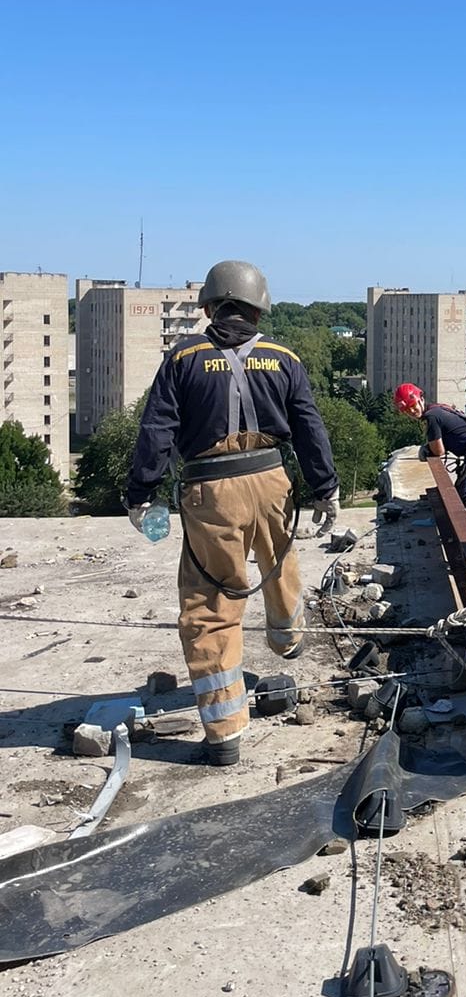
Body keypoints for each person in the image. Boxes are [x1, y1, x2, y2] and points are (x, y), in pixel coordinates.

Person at [125, 260, 339, 766]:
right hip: (272, 482)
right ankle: (288, 638)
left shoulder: (184, 357)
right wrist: (325, 488)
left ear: (209, 306)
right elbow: (309, 426)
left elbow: (157, 430)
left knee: (211, 605)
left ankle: (223, 732)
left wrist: (141, 494)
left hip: (212, 490)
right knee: (278, 560)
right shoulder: (284, 357)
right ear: (259, 307)